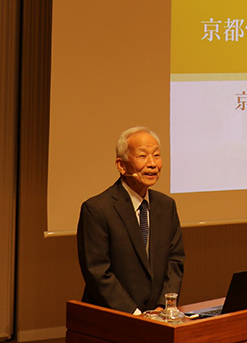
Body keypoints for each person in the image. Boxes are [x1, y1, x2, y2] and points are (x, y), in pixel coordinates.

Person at [77, 126, 184, 314]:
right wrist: (134, 314)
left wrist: (164, 305)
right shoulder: (97, 209)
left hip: (158, 315)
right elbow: (98, 271)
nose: (152, 164)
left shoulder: (167, 206)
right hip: (113, 317)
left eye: (157, 156)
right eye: (142, 156)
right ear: (121, 165)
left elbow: (175, 260)